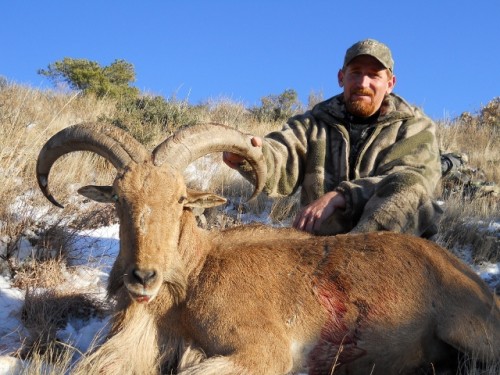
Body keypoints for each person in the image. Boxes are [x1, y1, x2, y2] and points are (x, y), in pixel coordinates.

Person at [224, 39, 443, 237]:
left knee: (410, 186)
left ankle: (360, 261)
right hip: (321, 248)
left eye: (374, 75)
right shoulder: (313, 123)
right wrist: (250, 154)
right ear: (341, 77)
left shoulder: (414, 126)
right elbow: (282, 157)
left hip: (389, 253)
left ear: (390, 83)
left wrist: (342, 196)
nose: (363, 83)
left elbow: (413, 181)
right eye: (355, 72)